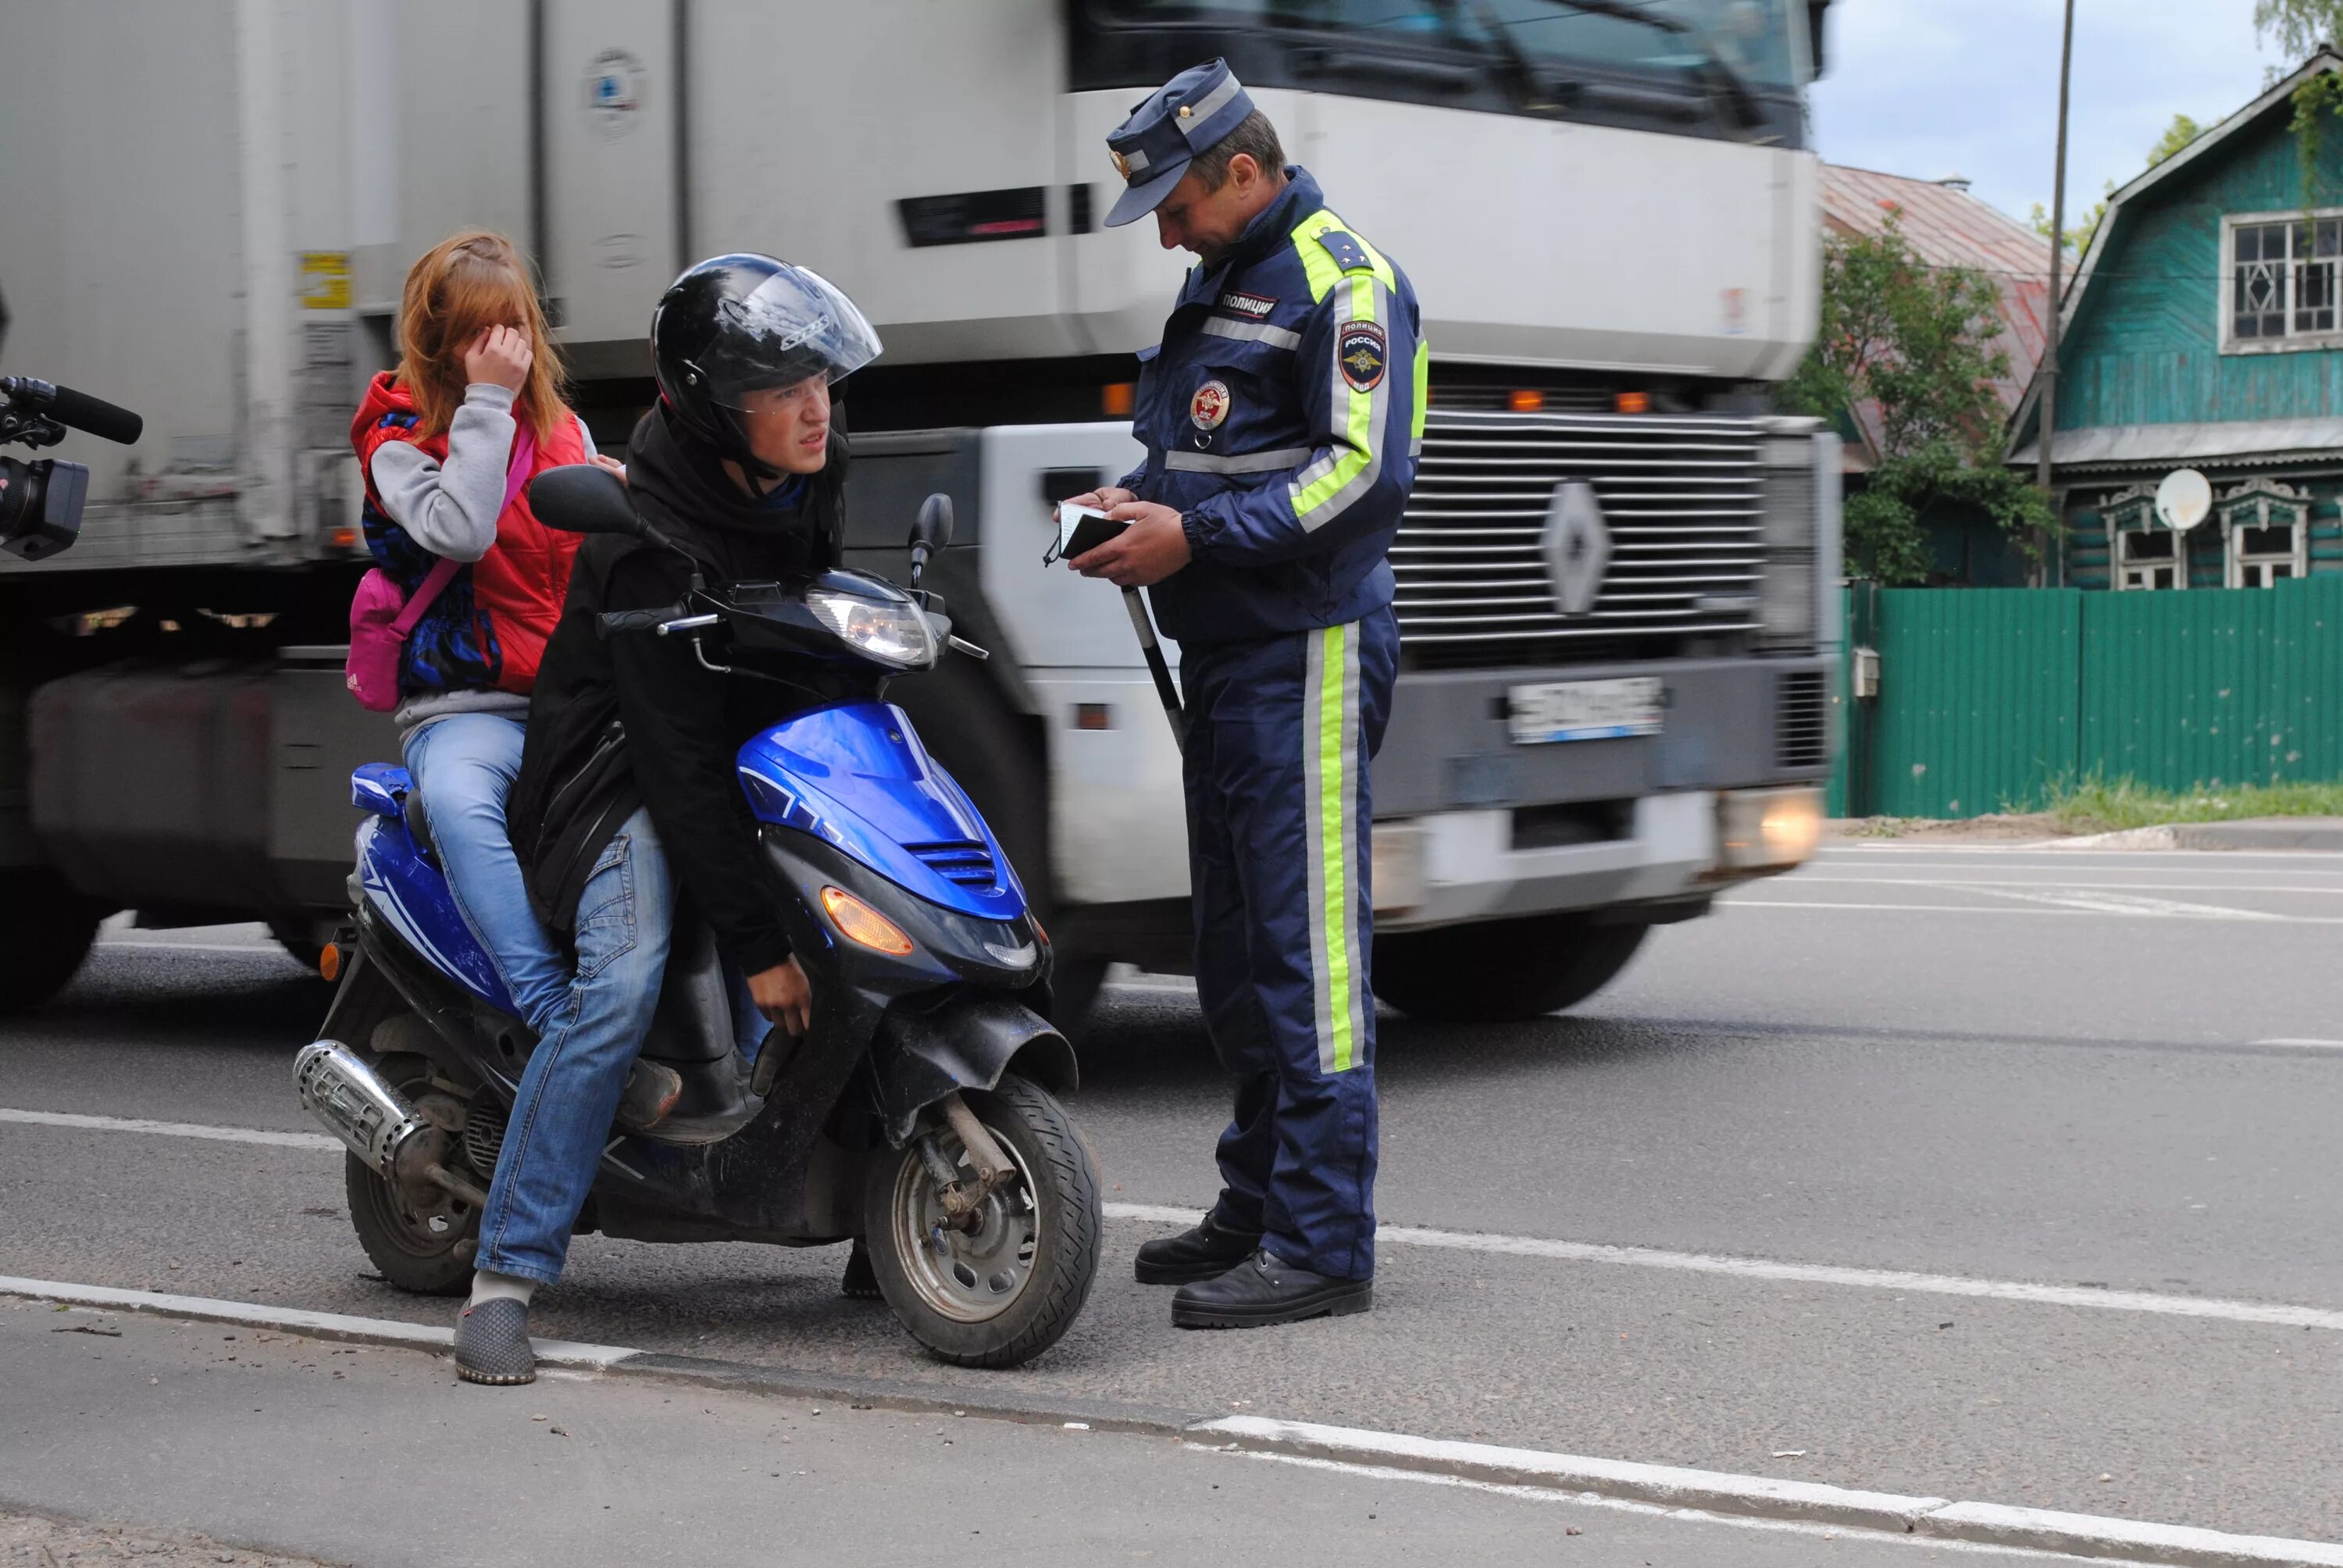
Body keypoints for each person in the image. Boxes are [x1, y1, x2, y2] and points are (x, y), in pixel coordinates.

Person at [453, 255, 878, 1385]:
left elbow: (815, 615)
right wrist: (756, 944)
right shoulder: (644, 529)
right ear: (710, 404)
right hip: (620, 774)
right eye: (782, 390)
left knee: (867, 925)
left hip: (743, 749)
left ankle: (877, 1206)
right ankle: (504, 1276)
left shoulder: (805, 472)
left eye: (821, 383)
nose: (814, 408)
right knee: (620, 984)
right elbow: (674, 756)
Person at [1061, 61, 1424, 1329]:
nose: (1162, 227)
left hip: (1306, 651)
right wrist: (1134, 502)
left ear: (1246, 173)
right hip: (1227, 655)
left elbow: (1361, 480)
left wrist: (1193, 538)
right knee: (1233, 951)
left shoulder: (1343, 279)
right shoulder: (1221, 276)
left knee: (1305, 952)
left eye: (1175, 201)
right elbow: (1206, 455)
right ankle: (1261, 1199)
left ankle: (1324, 1238)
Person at [351, 231, 618, 1035]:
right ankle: (542, 1002)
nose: (504, 347)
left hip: (573, 701)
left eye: (514, 326)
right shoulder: (397, 442)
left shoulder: (565, 428)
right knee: (462, 804)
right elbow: (461, 530)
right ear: (437, 346)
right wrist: (488, 403)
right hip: (465, 711)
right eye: (478, 331)